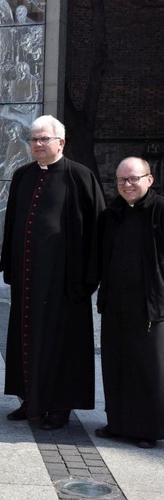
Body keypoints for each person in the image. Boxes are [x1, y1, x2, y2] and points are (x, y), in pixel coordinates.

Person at [0, 115, 105, 430]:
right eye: (33, 139)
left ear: (61, 142)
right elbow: (13, 225)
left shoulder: (80, 176)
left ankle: (60, 406)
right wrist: (9, 264)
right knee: (25, 336)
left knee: (62, 343)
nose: (38, 145)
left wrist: (89, 276)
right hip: (29, 278)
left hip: (64, 281)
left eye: (44, 139)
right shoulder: (22, 175)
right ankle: (29, 399)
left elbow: (97, 230)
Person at [95, 157, 164, 449]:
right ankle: (118, 423)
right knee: (115, 364)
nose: (127, 185)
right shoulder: (114, 212)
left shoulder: (160, 209)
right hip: (116, 303)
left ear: (149, 179)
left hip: (149, 303)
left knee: (147, 368)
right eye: (122, 180)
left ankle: (146, 428)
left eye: (134, 179)